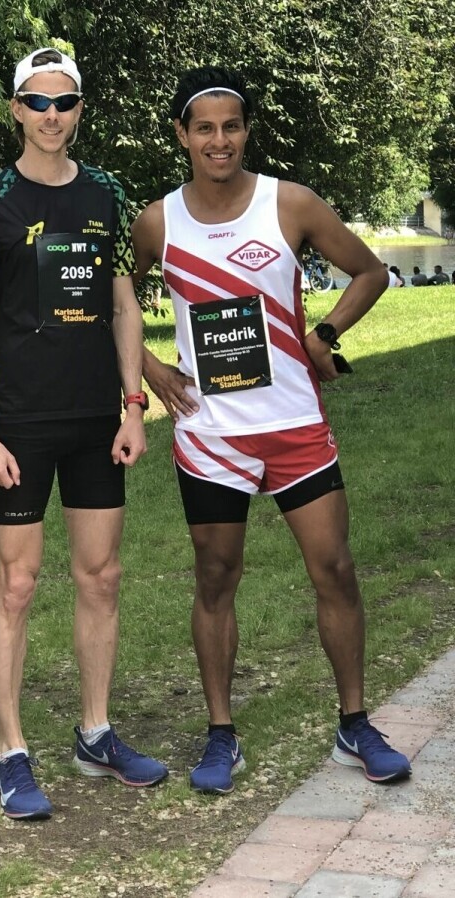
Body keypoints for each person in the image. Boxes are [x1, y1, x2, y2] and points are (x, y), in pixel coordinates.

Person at [130, 66, 411, 795]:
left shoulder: (291, 203)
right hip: (211, 433)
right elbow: (110, 296)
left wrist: (324, 333)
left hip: (293, 424)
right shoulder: (158, 221)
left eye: (231, 126)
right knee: (216, 578)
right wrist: (150, 367)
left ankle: (355, 721)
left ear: (246, 130)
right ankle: (221, 734)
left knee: (336, 570)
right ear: (182, 136)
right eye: (204, 129)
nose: (218, 141)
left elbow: (369, 273)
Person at [0, 47, 168, 821]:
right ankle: (11, 751)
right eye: (38, 103)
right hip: (17, 420)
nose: (52, 116)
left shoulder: (108, 191)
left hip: (94, 421)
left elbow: (123, 307)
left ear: (81, 109)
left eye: (66, 102)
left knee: (101, 575)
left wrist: (134, 406)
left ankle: (95, 731)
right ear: (15, 108)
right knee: (15, 584)